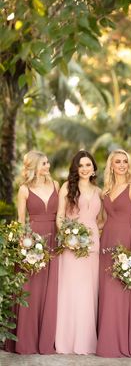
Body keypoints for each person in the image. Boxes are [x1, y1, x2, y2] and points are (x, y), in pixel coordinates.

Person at [5, 150, 59, 354]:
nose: (48, 166)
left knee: (49, 290)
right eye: (44, 163)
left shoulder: (56, 185)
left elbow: (61, 216)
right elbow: (20, 222)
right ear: (34, 166)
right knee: (32, 288)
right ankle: (26, 340)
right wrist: (24, 246)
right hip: (33, 241)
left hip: (54, 239)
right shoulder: (24, 190)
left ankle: (47, 339)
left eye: (48, 163)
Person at [96, 149, 131, 358]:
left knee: (121, 290)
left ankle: (122, 341)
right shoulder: (105, 190)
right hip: (106, 241)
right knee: (107, 292)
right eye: (118, 162)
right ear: (111, 165)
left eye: (125, 161)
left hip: (125, 239)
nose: (122, 165)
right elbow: (102, 220)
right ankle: (106, 341)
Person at [55, 150, 101, 354]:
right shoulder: (67, 187)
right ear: (76, 168)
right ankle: (66, 340)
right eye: (80, 165)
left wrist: (95, 233)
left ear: (93, 169)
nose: (84, 169)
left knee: (89, 291)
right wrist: (69, 238)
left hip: (92, 246)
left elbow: (102, 220)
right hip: (71, 244)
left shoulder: (100, 191)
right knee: (71, 290)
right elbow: (59, 217)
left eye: (88, 165)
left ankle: (86, 341)